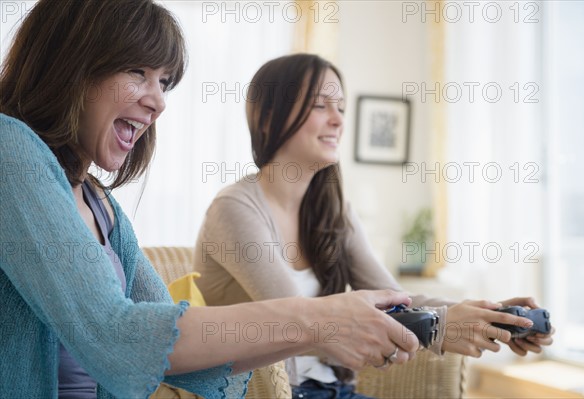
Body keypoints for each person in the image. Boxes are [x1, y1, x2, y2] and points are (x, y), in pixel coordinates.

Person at [0, 2, 423, 398]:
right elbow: (118, 335)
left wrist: (320, 328)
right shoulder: (9, 148)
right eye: (136, 71)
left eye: (164, 81)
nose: (159, 101)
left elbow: (169, 345)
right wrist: (324, 319)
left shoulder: (99, 203)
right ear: (69, 65)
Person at [193, 53, 555, 399]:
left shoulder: (334, 211)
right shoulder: (235, 209)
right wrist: (441, 325)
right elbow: (301, 322)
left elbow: (395, 298)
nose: (337, 120)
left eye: (341, 108)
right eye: (320, 105)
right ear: (268, 118)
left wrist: (490, 314)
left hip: (331, 389)